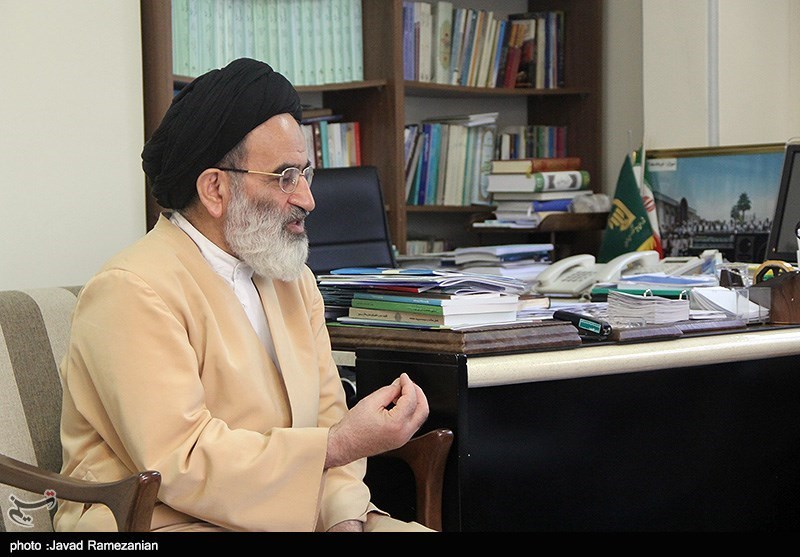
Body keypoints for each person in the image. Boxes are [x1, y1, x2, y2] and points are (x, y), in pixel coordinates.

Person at [54, 58, 431, 532]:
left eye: (305, 174)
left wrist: (344, 517)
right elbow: (180, 460)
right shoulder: (130, 290)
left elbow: (329, 420)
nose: (308, 199)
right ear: (215, 189)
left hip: (303, 515)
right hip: (160, 522)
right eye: (285, 176)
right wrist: (337, 445)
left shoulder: (292, 281)